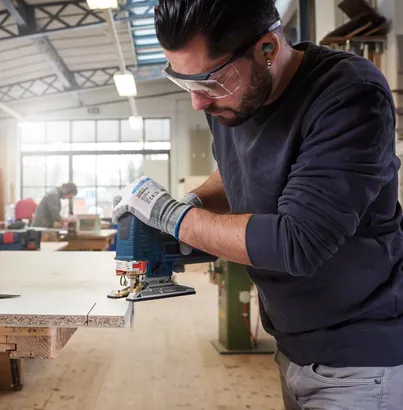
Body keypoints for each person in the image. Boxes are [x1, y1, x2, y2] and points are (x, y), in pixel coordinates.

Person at [112, 1, 403, 408]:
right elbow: (237, 173)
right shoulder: (231, 98)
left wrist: (174, 216)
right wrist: (191, 205)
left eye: (209, 82)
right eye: (184, 82)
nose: (198, 102)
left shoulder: (349, 96)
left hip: (361, 360)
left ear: (267, 48)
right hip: (293, 345)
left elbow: (298, 243)